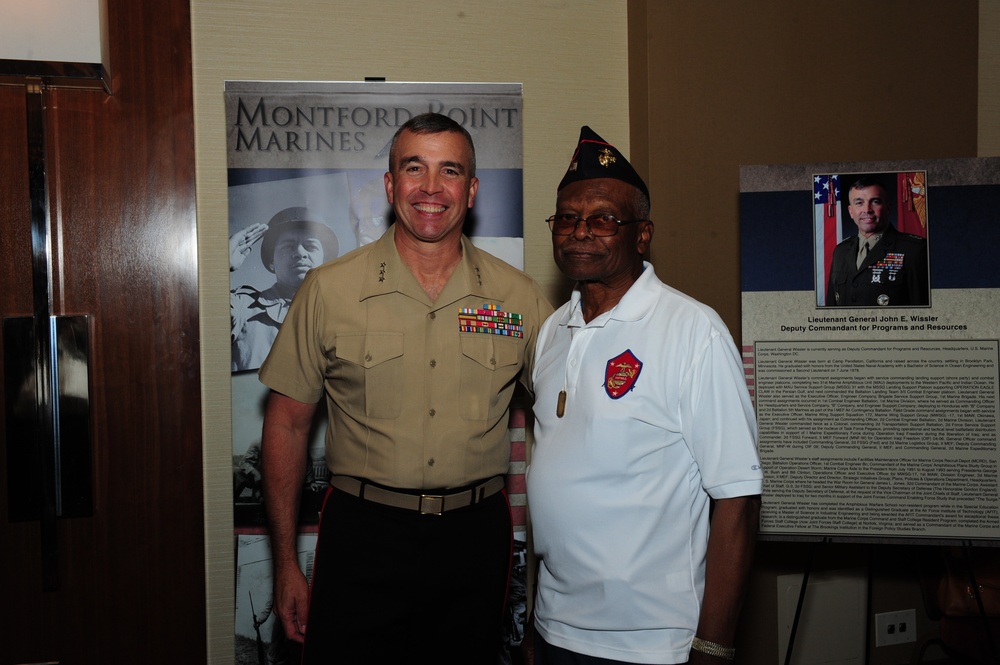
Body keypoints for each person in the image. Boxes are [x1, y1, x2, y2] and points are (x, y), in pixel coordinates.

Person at [258, 112, 552, 664]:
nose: (432, 188)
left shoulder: (518, 299)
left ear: (472, 188)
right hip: (362, 537)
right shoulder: (329, 290)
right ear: (391, 185)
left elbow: (571, 416)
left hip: (474, 540)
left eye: (450, 171)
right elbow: (287, 422)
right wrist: (285, 562)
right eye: (414, 168)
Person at [526, 127, 763, 665]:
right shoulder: (552, 331)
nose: (580, 231)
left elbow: (739, 500)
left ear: (642, 234)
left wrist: (713, 646)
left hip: (652, 642)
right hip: (556, 630)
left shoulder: (691, 330)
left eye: (604, 219)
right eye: (567, 218)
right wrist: (534, 626)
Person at [230, 207, 339, 371]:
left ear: (324, 261)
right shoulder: (243, 308)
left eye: (310, 246)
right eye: (288, 247)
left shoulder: (347, 313)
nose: (300, 253)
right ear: (272, 262)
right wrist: (220, 266)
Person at [825, 175, 929, 307]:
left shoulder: (914, 250)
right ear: (851, 212)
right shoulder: (840, 251)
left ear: (888, 207)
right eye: (859, 203)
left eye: (875, 202)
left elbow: (923, 313)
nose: (867, 210)